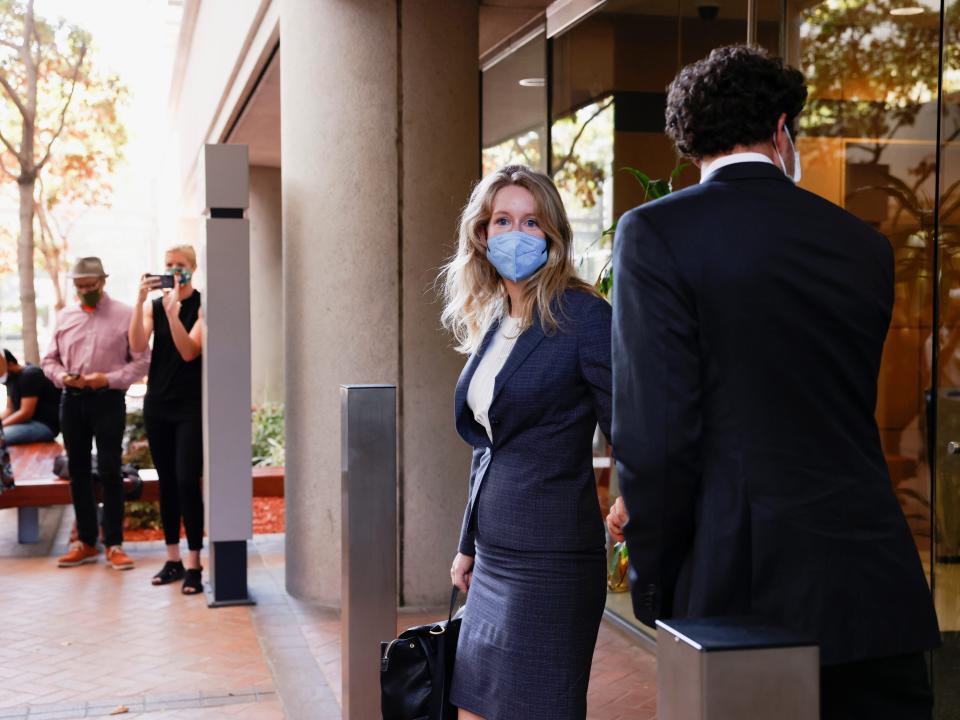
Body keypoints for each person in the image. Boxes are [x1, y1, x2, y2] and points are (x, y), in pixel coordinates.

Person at [607, 45, 940, 719]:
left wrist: (654, 579)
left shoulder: (655, 233)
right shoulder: (863, 245)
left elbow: (659, 432)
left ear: (688, 143)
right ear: (783, 131)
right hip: (875, 586)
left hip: (741, 592)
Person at [441, 165, 611, 720]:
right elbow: (488, 444)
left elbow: (630, 422)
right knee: (472, 709)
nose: (517, 233)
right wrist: (468, 543)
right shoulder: (494, 319)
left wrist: (633, 495)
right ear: (482, 235)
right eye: (503, 220)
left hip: (554, 560)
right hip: (493, 558)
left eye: (532, 221)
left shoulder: (586, 317)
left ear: (553, 234)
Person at [42, 257, 149, 570]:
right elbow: (49, 360)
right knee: (77, 470)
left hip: (108, 399)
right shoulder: (64, 317)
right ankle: (86, 542)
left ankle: (114, 544)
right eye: (80, 286)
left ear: (103, 282)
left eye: (90, 285)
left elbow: (142, 361)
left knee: (110, 469)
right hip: (72, 400)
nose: (85, 291)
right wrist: (62, 377)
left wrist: (108, 379)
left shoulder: (125, 315)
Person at [129, 245, 205, 595]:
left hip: (189, 406)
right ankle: (172, 558)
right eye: (169, 265)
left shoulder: (203, 305)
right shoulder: (154, 306)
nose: (175, 270)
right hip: (157, 403)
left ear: (193, 268)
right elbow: (137, 345)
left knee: (188, 480)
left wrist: (174, 315)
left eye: (181, 265)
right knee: (167, 482)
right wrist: (140, 300)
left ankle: (194, 563)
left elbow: (189, 351)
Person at [0, 349, 61, 444]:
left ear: (10, 363)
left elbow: (26, 412)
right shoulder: (11, 379)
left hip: (44, 425)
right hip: (25, 424)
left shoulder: (29, 375)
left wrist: (2, 425)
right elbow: (9, 409)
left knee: (2, 437)